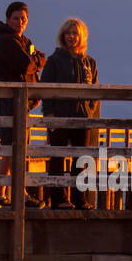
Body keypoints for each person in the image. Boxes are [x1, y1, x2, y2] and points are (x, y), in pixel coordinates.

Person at [0, 0, 46, 206]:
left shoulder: (24, 41)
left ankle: (2, 194)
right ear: (7, 19)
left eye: (23, 18)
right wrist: (35, 60)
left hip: (20, 103)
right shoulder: (6, 41)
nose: (19, 22)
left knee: (15, 149)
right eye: (16, 18)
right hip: (6, 102)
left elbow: (40, 57)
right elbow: (27, 63)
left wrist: (35, 61)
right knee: (12, 148)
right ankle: (7, 194)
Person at [39, 17, 99, 208]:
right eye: (68, 33)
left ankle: (79, 199)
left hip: (83, 118)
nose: (71, 37)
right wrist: (49, 114)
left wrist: (89, 110)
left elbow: (95, 90)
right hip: (59, 116)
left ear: (81, 36)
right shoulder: (54, 60)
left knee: (80, 160)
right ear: (62, 36)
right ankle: (58, 199)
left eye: (75, 33)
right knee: (57, 158)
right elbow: (46, 89)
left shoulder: (89, 62)